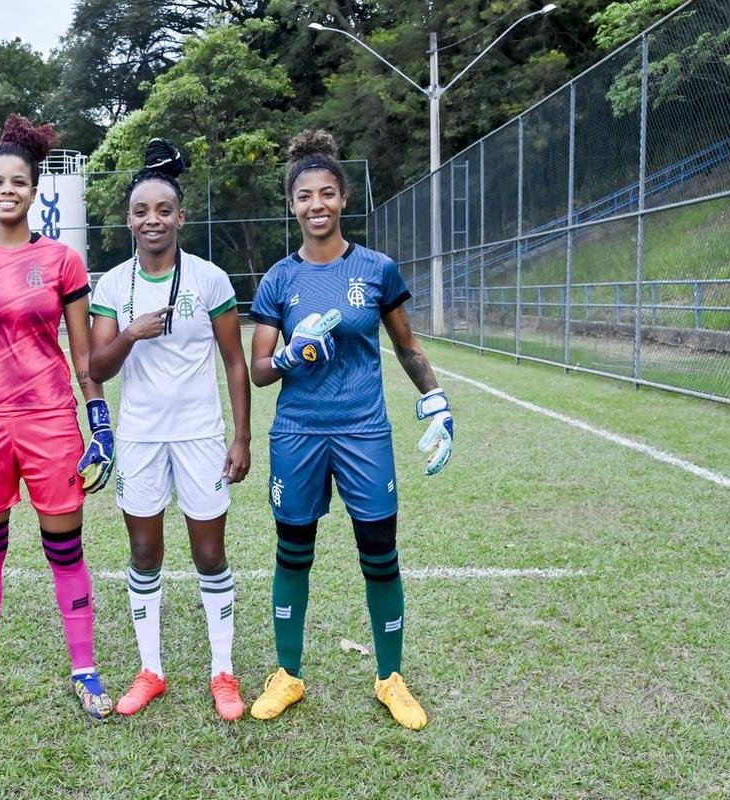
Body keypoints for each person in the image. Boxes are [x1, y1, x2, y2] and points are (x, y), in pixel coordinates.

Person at [246, 131, 454, 730]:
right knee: (293, 554)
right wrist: (291, 355)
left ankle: (390, 677)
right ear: (293, 204)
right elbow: (261, 368)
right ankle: (287, 674)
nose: (317, 204)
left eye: (328, 193)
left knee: (380, 556)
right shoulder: (279, 281)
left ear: (343, 199)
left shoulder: (376, 269)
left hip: (364, 430)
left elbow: (407, 346)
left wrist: (436, 399)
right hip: (298, 432)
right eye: (306, 195)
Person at [0, 114, 115, 721]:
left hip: (50, 419)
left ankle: (84, 671)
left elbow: (83, 353)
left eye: (19, 182)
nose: (8, 191)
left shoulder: (62, 260)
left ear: (35, 191)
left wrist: (99, 421)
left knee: (66, 549)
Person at [88, 138, 251, 721]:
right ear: (128, 220)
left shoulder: (209, 279)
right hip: (139, 438)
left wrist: (240, 436)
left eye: (163, 210)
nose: (151, 220)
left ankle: (222, 672)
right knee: (144, 550)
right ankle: (150, 669)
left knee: (210, 553)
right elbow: (95, 368)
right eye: (140, 211)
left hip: (201, 436)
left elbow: (235, 360)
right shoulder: (111, 285)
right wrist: (129, 334)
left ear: (180, 217)